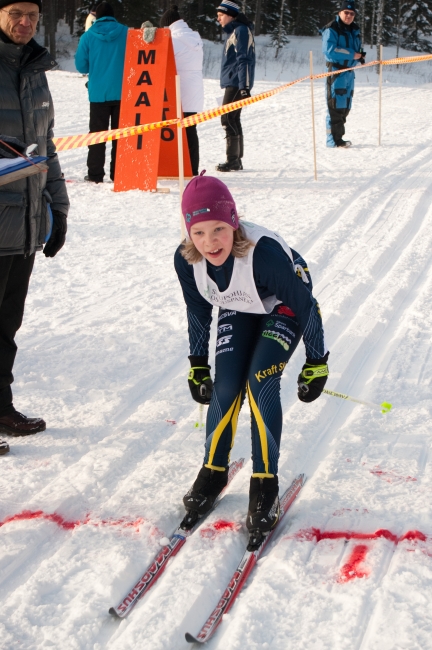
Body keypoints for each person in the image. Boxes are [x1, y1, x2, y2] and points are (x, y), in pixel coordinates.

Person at [174, 172, 329, 547]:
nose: (210, 242)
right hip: (241, 304)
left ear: (234, 222)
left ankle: (265, 484)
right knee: (227, 386)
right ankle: (212, 472)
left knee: (261, 378)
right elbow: (198, 314)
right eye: (199, 233)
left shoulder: (262, 254)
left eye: (218, 230)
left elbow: (305, 305)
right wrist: (197, 364)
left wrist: (317, 361)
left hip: (284, 304)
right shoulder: (188, 262)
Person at [0, 0, 69, 454]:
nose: (25, 23)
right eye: (14, 13)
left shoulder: (35, 71)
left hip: (24, 225)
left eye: (32, 15)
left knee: (6, 326)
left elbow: (47, 147)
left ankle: (1, 408)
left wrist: (59, 210)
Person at [75, 1, 128, 183]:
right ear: (113, 15)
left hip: (98, 93)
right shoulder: (126, 32)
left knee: (97, 135)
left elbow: (81, 66)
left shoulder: (88, 36)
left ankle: (95, 174)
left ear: (96, 16)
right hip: (123, 93)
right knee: (120, 136)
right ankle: (118, 173)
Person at [160, 5, 204, 177]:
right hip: (194, 91)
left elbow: (163, 61)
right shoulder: (194, 38)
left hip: (180, 91)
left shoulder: (175, 40)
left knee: (178, 132)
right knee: (191, 131)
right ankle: (192, 168)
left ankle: (178, 167)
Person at [215, 1, 255, 172]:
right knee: (233, 118)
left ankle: (233, 160)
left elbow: (244, 59)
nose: (218, 19)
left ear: (230, 15)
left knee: (227, 118)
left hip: (236, 83)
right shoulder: (235, 31)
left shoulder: (241, 31)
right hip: (234, 81)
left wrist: (244, 86)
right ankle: (236, 160)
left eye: (221, 15)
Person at [321, 0, 365, 148]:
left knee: (345, 107)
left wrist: (360, 55)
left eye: (352, 14)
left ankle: (339, 138)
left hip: (349, 73)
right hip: (336, 71)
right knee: (335, 106)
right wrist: (353, 55)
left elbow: (356, 49)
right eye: (346, 12)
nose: (349, 16)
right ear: (340, 12)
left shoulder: (354, 30)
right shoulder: (332, 29)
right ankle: (334, 141)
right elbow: (330, 50)